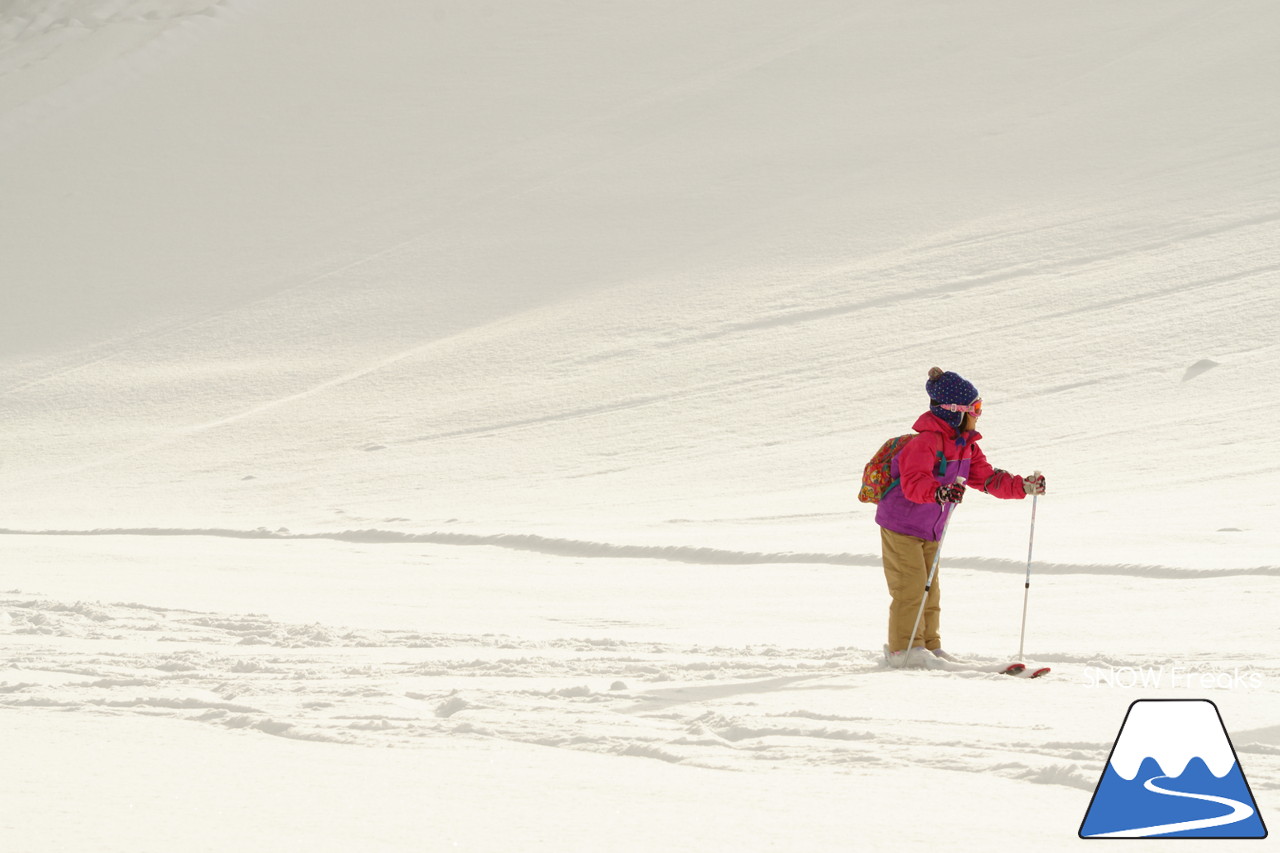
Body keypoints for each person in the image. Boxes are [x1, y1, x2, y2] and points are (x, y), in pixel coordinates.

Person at [876, 367, 1045, 667]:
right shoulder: (924, 443)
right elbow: (913, 483)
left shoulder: (966, 445)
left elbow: (988, 478)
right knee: (910, 587)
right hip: (901, 525)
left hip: (930, 530)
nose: (979, 414)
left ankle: (929, 647)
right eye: (976, 408)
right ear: (955, 412)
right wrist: (939, 493)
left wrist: (1023, 486)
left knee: (930, 590)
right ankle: (904, 650)